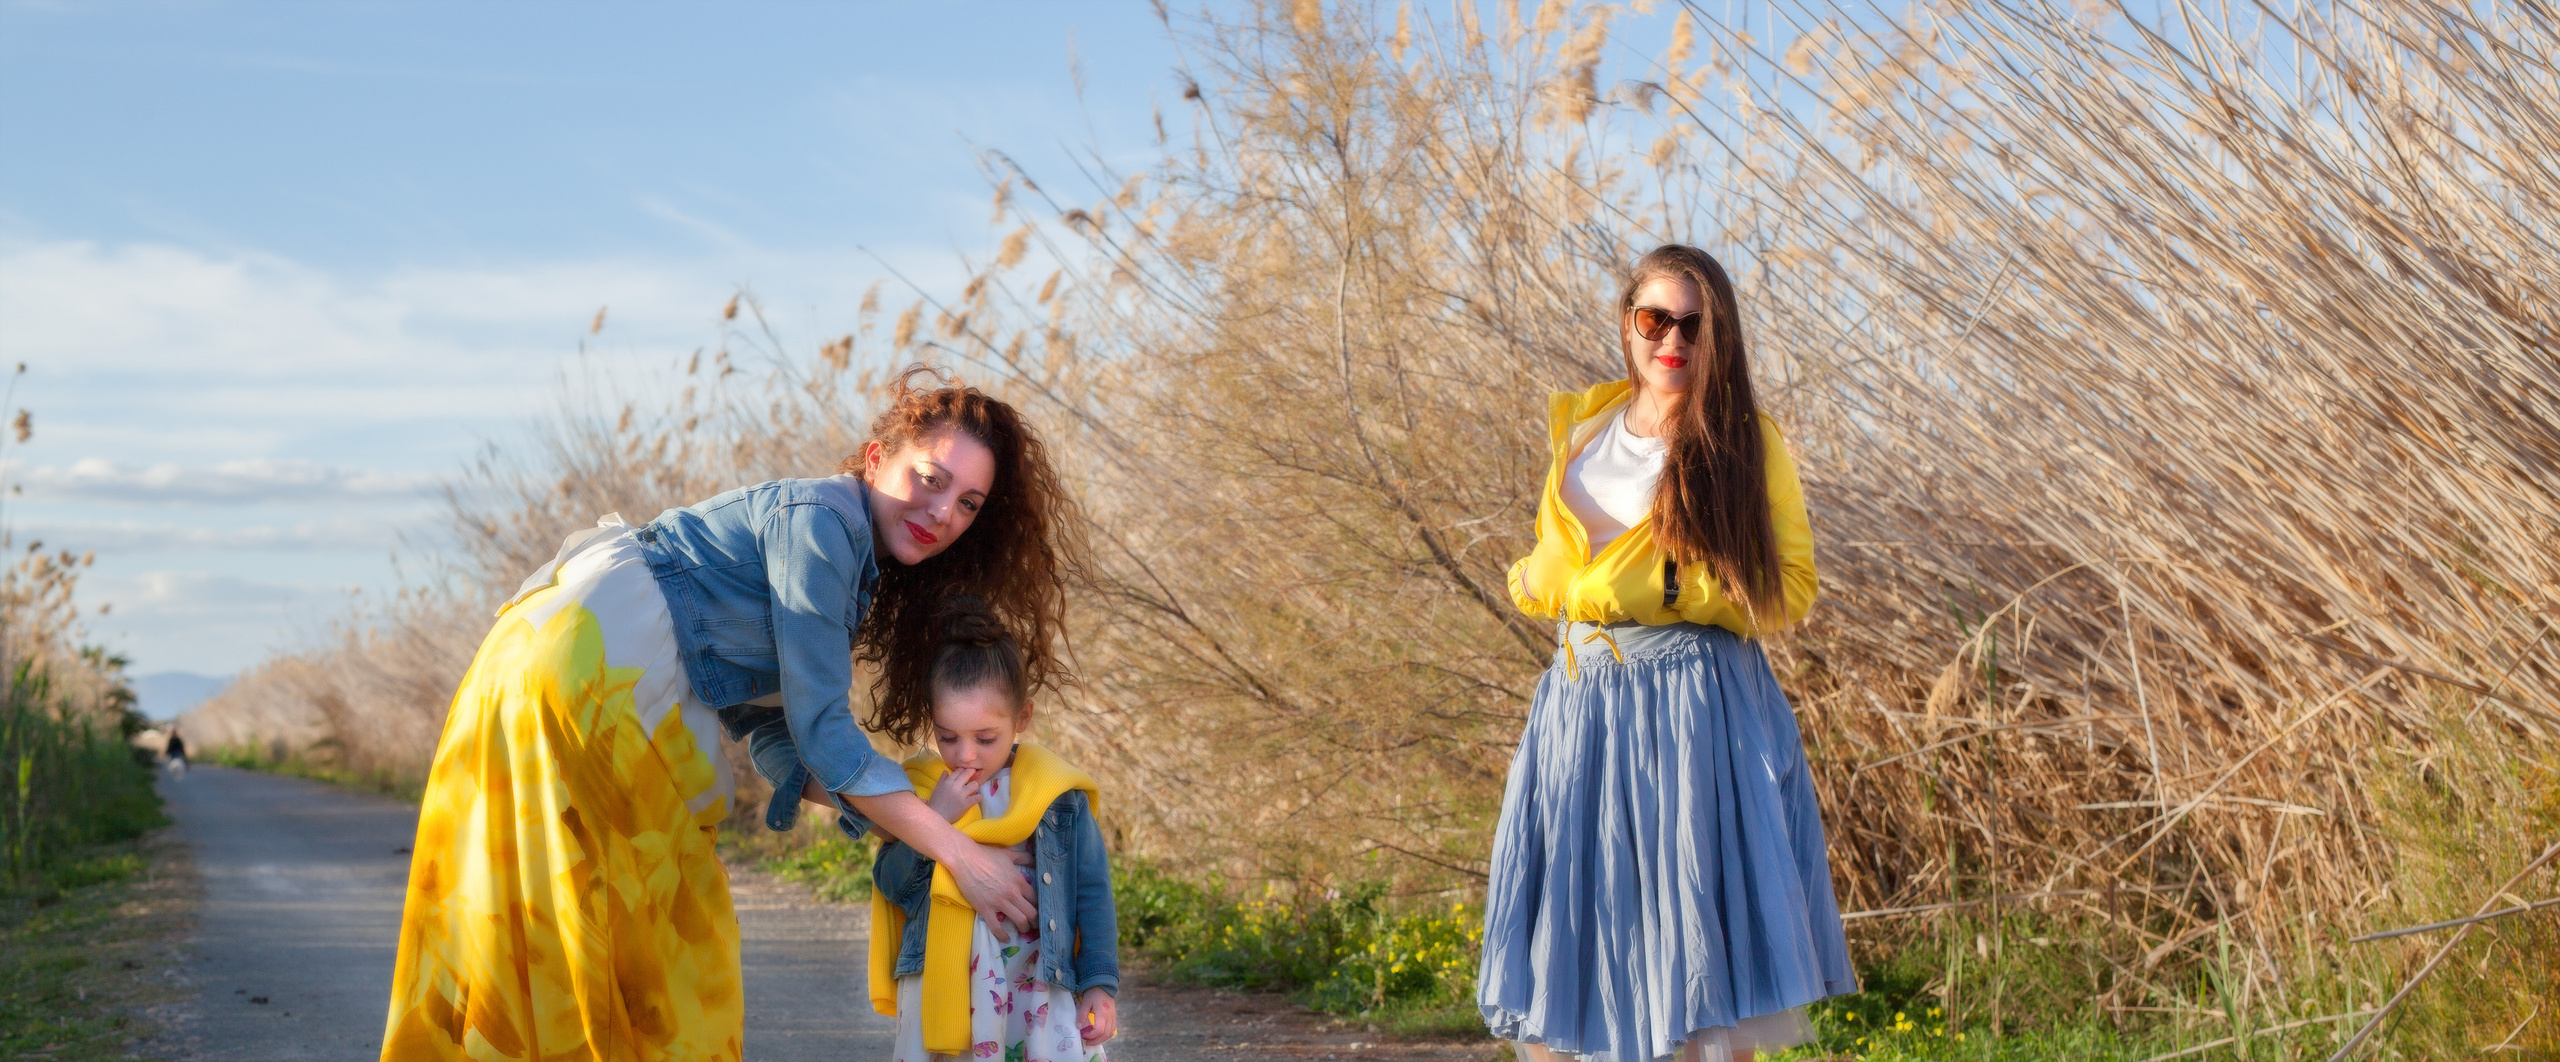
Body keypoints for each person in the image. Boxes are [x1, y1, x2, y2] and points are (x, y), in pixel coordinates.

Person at [380, 369, 1081, 1061]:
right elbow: (822, 732)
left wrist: (917, 821)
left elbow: (775, 731)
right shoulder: (823, 523)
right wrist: (960, 853)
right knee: (647, 924)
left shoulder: (839, 550)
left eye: (968, 503)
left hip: (551, 653)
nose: (943, 512)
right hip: (591, 664)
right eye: (930, 479)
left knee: (563, 912)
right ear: (876, 459)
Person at [1476, 245, 1857, 1062]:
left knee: (1696, 957)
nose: (1672, 340)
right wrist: (1536, 581)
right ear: (1628, 326)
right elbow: (1563, 564)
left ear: (1719, 333)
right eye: (1655, 320)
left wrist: (1680, 587)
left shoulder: (1744, 442)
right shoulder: (1584, 430)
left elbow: (1791, 589)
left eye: (1692, 323)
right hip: (1579, 703)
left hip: (1691, 706)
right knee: (1567, 941)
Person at [864, 596, 1118, 1062]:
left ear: (1022, 718)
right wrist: (934, 818)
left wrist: (1100, 984)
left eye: (985, 738)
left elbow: (1092, 892)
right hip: (945, 989)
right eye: (947, 737)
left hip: (1037, 986)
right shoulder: (920, 793)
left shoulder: (1057, 797)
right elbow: (892, 884)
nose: (965, 755)